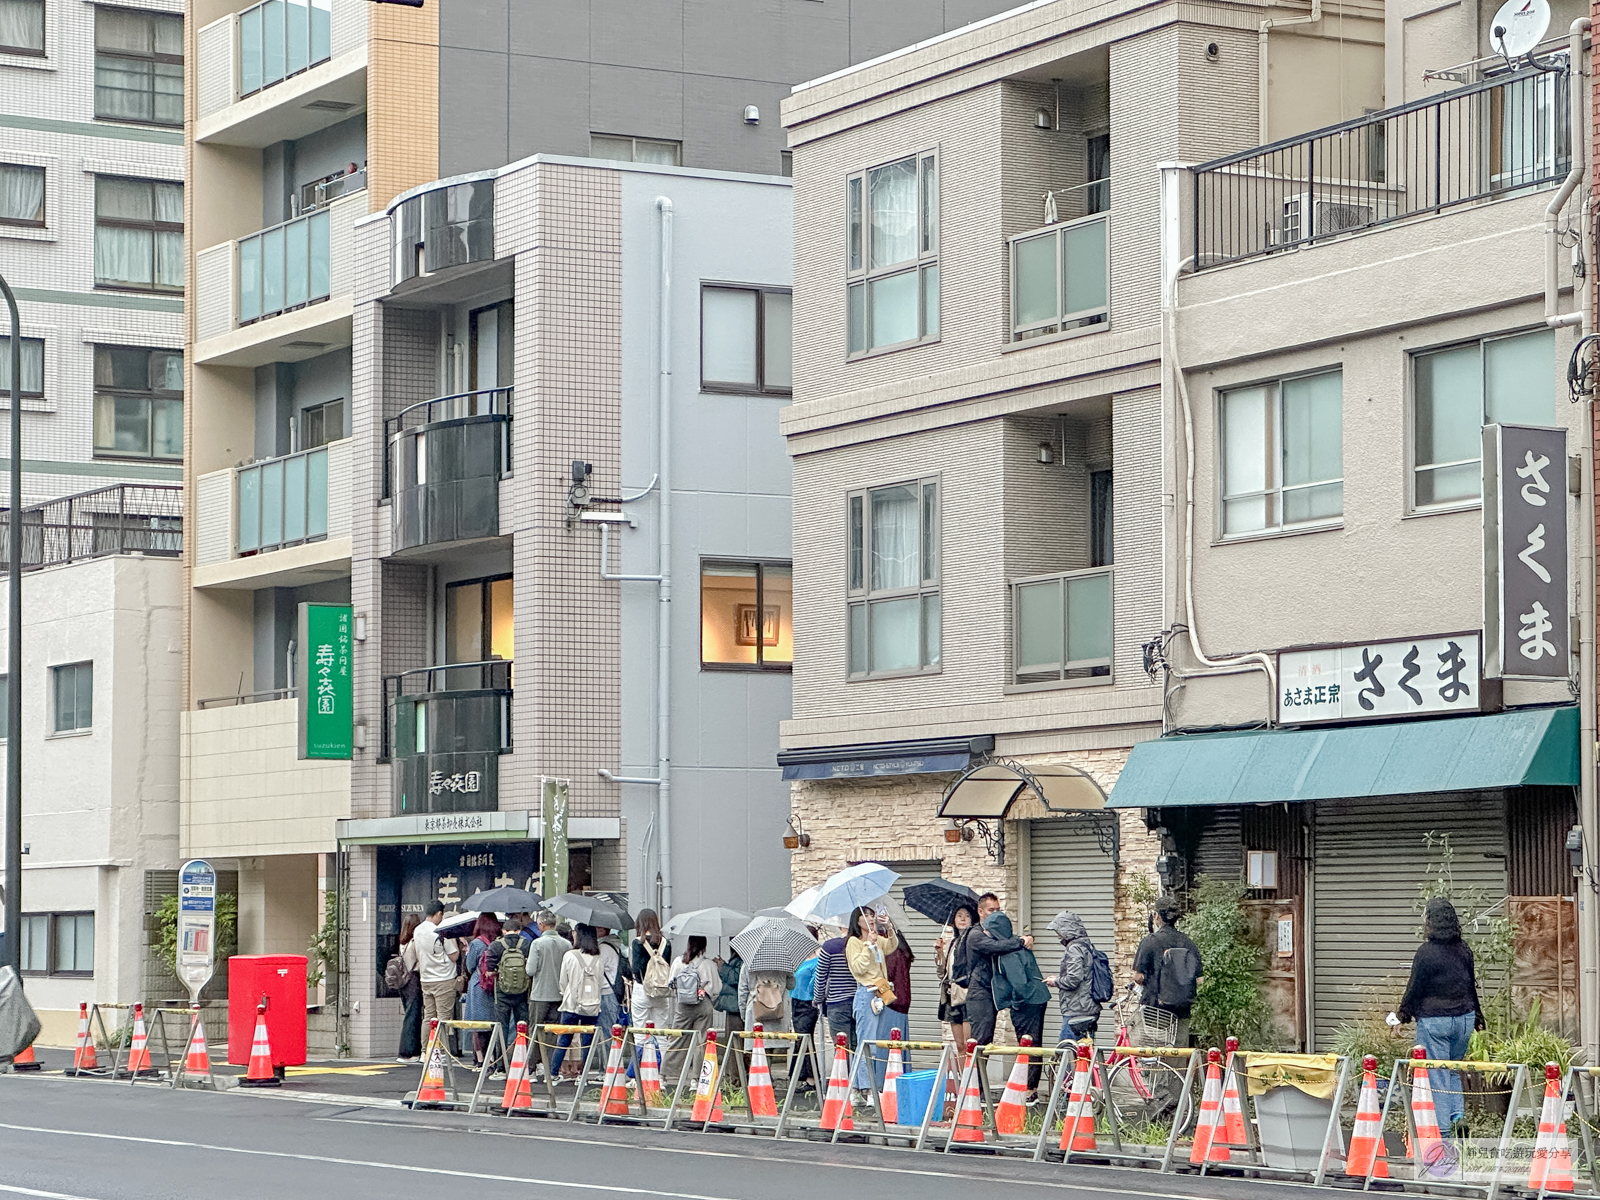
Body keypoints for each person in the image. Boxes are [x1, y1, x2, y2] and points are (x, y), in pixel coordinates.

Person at [1398, 898, 1483, 1136]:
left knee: (1437, 1075)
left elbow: (1414, 989)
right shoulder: (1464, 949)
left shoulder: (1425, 953)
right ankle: (1458, 1117)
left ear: (1430, 922)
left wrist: (1402, 1014)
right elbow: (1470, 986)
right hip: (1465, 1018)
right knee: (1453, 1070)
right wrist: (1478, 1016)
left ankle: (1443, 1134)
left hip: (1435, 1020)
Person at [976, 906, 1049, 1102]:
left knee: (1028, 1044)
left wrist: (1015, 1004)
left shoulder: (1007, 954)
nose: (985, 934)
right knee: (1034, 1044)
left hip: (1028, 1002)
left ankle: (1029, 1090)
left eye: (988, 930)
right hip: (1037, 997)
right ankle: (1030, 1088)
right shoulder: (1015, 946)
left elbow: (1019, 983)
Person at [845, 906, 899, 1104]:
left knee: (873, 1041)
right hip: (865, 992)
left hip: (880, 992)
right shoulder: (854, 942)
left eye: (871, 915)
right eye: (864, 916)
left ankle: (858, 1089)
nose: (870, 918)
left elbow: (891, 946)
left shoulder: (876, 938)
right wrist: (868, 945)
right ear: (857, 921)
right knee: (867, 1043)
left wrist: (889, 928)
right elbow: (857, 966)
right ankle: (866, 1088)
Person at [1133, 896, 1204, 1045]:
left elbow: (1138, 976)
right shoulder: (1187, 942)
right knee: (1178, 1055)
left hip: (1155, 1010)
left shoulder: (1150, 941)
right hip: (1182, 1010)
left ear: (1157, 916)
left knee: (1155, 1056)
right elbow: (1199, 979)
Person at [550, 923, 606, 1077]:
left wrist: (566, 992)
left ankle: (554, 1073)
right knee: (587, 1041)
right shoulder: (598, 958)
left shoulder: (570, 956)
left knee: (564, 1039)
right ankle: (583, 1074)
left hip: (571, 1004)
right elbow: (600, 982)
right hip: (592, 1005)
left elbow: (563, 981)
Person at [667, 934, 721, 1080]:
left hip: (683, 1005)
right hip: (703, 1004)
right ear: (704, 947)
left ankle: (668, 1075)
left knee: (677, 1038)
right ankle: (697, 1079)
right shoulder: (708, 964)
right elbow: (716, 988)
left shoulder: (678, 962)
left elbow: (671, 984)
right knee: (702, 1041)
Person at [1045, 910, 1102, 1045]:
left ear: (1066, 930)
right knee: (1085, 1052)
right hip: (1089, 1007)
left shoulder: (1074, 948)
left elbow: (1074, 979)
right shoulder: (1086, 944)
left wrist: (1056, 981)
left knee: (1067, 1053)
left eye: (1058, 931)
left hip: (1077, 1010)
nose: (1058, 935)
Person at [525, 911, 568, 1082]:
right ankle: (549, 1068)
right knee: (553, 1032)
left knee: (535, 1030)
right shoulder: (566, 944)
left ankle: (531, 1069)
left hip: (540, 994)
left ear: (541, 924)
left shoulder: (537, 943)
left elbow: (530, 970)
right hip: (559, 994)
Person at [486, 914, 533, 1071]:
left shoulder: (496, 946)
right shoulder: (527, 944)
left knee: (502, 1027)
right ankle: (523, 1061)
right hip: (523, 992)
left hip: (502, 993)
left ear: (503, 930)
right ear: (519, 930)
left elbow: (489, 971)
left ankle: (501, 1065)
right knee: (523, 1026)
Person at [412, 900, 460, 1038]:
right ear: (439, 914)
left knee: (428, 1017)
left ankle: (425, 1052)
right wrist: (454, 939)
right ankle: (440, 1052)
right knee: (443, 1018)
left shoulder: (418, 930)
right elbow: (454, 956)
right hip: (444, 979)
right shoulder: (441, 931)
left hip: (426, 978)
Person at [935, 902, 978, 1050]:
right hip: (952, 996)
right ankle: (961, 1074)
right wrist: (940, 952)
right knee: (959, 1045)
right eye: (959, 915)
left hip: (967, 995)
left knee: (969, 1043)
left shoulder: (972, 941)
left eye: (967, 916)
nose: (963, 919)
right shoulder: (953, 942)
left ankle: (970, 1073)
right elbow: (942, 974)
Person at [812, 926, 856, 1061]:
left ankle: (843, 1079)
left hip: (837, 1002)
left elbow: (821, 976)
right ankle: (859, 1080)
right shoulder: (862, 945)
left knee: (842, 1047)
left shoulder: (830, 947)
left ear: (840, 925)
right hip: (859, 1002)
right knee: (858, 1046)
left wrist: (817, 998)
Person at [463, 914, 503, 1067]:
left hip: (479, 985)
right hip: (496, 984)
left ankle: (483, 1061)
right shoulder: (499, 942)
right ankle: (496, 1059)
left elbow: (470, 966)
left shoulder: (477, 943)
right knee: (494, 1024)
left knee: (479, 1026)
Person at [630, 910, 675, 1034]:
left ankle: (642, 1054)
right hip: (661, 990)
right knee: (660, 1031)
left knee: (640, 1031)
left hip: (642, 989)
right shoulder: (666, 943)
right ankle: (660, 1053)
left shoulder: (637, 943)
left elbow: (636, 968)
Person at [790, 945, 821, 1090]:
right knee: (800, 1038)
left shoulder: (817, 962)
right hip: (796, 1001)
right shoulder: (800, 962)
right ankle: (803, 1076)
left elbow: (814, 983)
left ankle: (811, 1078)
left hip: (808, 1003)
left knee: (805, 1038)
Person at [396, 913, 424, 1061]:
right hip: (413, 979)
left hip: (404, 981)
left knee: (410, 1014)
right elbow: (418, 962)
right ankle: (407, 1052)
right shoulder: (414, 942)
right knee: (413, 1015)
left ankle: (410, 1051)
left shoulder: (402, 942)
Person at [595, 925, 625, 1041]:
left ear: (603, 930)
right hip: (614, 991)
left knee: (606, 1030)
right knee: (612, 1027)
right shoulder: (616, 945)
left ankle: (609, 1058)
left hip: (606, 991)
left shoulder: (603, 948)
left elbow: (597, 970)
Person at [885, 930, 914, 1040]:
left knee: (888, 1042)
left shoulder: (889, 948)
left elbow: (888, 972)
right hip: (902, 1000)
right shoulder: (901, 945)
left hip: (890, 1001)